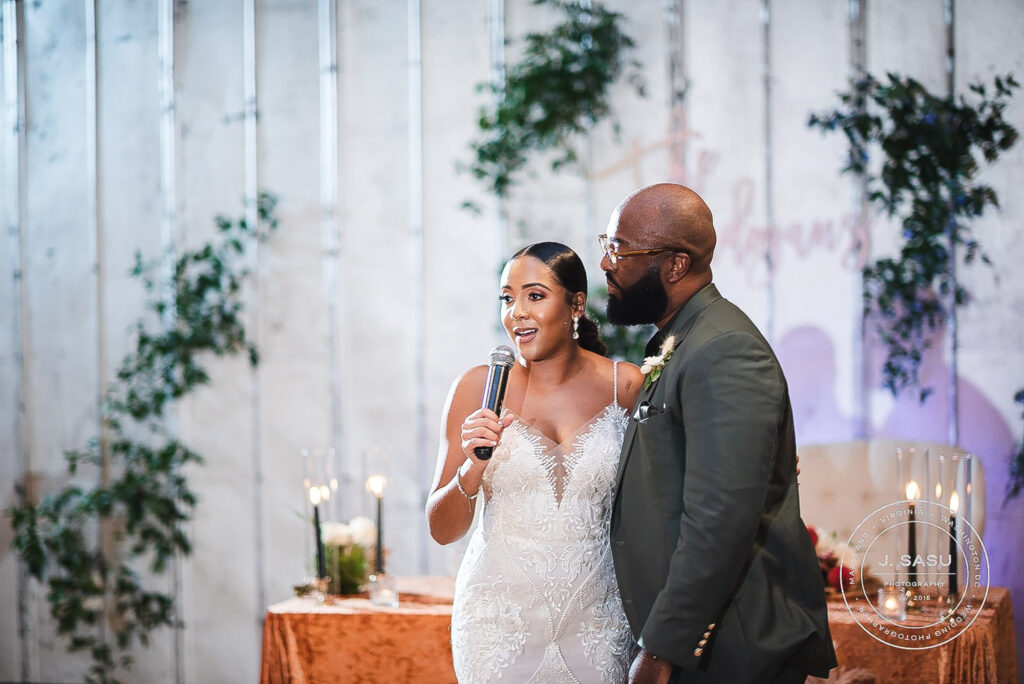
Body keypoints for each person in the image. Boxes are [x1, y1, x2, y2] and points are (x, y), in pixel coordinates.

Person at [602, 183, 838, 683]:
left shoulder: (725, 348)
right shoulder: (683, 339)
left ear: (675, 265)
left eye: (620, 249)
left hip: (731, 644)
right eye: (607, 244)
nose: (606, 262)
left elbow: (721, 520)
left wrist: (663, 647)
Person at [426, 241, 644, 683]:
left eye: (534, 295)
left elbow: (652, 506)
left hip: (599, 621)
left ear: (576, 305)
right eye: (507, 298)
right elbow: (442, 529)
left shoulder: (626, 385)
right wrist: (473, 465)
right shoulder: (477, 387)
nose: (516, 312)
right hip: (497, 624)